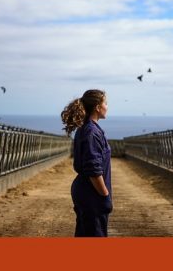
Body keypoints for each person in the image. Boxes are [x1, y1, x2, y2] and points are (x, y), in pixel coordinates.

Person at [61, 89, 112, 237]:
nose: (107, 107)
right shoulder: (91, 132)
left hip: (87, 192)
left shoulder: (88, 129)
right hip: (92, 194)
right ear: (97, 107)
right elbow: (93, 169)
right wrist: (105, 195)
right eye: (106, 103)